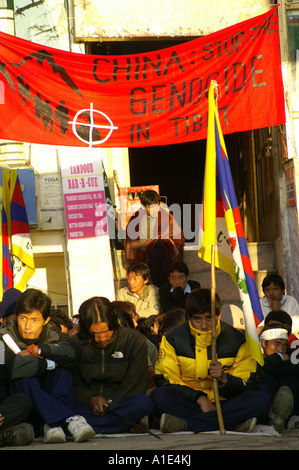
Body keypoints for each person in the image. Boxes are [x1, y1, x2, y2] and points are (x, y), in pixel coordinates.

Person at [150, 288, 271, 433]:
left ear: (218, 315)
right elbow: (166, 379)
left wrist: (224, 379)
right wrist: (200, 399)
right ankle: (230, 422)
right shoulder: (172, 339)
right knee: (159, 396)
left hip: (226, 402)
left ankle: (188, 425)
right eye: (197, 319)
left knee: (260, 399)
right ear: (188, 317)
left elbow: (247, 382)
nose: (204, 325)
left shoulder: (238, 340)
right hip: (191, 401)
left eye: (209, 318)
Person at [0, 288, 95, 444]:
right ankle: (66, 419)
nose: (27, 326)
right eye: (23, 318)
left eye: (34, 320)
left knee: (63, 370)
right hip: (24, 401)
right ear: (17, 316)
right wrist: (50, 362)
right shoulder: (4, 337)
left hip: (49, 395)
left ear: (45, 320)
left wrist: (40, 350)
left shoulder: (53, 334)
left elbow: (74, 352)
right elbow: (15, 368)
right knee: (26, 378)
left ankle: (52, 424)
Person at [71, 297, 153, 434]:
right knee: (64, 406)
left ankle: (90, 427)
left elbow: (135, 383)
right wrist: (91, 398)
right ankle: (124, 424)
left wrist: (109, 403)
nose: (102, 338)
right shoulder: (75, 344)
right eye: (96, 333)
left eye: (106, 331)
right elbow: (75, 382)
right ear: (86, 329)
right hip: (87, 404)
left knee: (143, 402)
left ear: (114, 324)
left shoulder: (134, 341)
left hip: (121, 402)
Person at [125, 190, 185, 287]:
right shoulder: (137, 218)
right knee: (155, 254)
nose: (154, 210)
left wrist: (161, 238)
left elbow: (177, 236)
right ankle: (163, 284)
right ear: (144, 206)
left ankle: (165, 282)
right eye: (150, 207)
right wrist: (150, 241)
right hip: (145, 253)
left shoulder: (165, 215)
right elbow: (132, 241)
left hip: (165, 250)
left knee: (158, 250)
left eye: (156, 206)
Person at [259, 325, 299, 432]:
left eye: (284, 345)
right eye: (276, 344)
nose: (281, 349)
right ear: (263, 343)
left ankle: (290, 417)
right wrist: (278, 358)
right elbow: (260, 370)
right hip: (264, 404)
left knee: (289, 379)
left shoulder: (290, 355)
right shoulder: (254, 355)